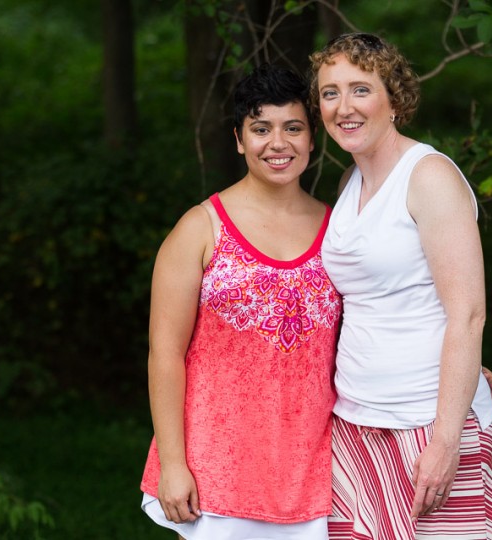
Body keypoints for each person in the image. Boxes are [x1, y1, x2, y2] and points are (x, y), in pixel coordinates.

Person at [139, 63, 343, 540]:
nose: (279, 143)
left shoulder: (341, 232)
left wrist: (461, 370)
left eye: (293, 127)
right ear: (238, 139)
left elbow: (383, 321)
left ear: (313, 138)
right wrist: (174, 463)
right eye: (261, 129)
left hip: (317, 473)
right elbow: (165, 355)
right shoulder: (199, 228)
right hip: (217, 471)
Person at [310, 33, 492, 539]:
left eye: (360, 89)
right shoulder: (352, 182)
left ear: (394, 98)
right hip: (355, 420)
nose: (343, 107)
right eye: (330, 93)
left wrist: (446, 439)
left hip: (426, 422)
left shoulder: (429, 176)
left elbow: (468, 313)